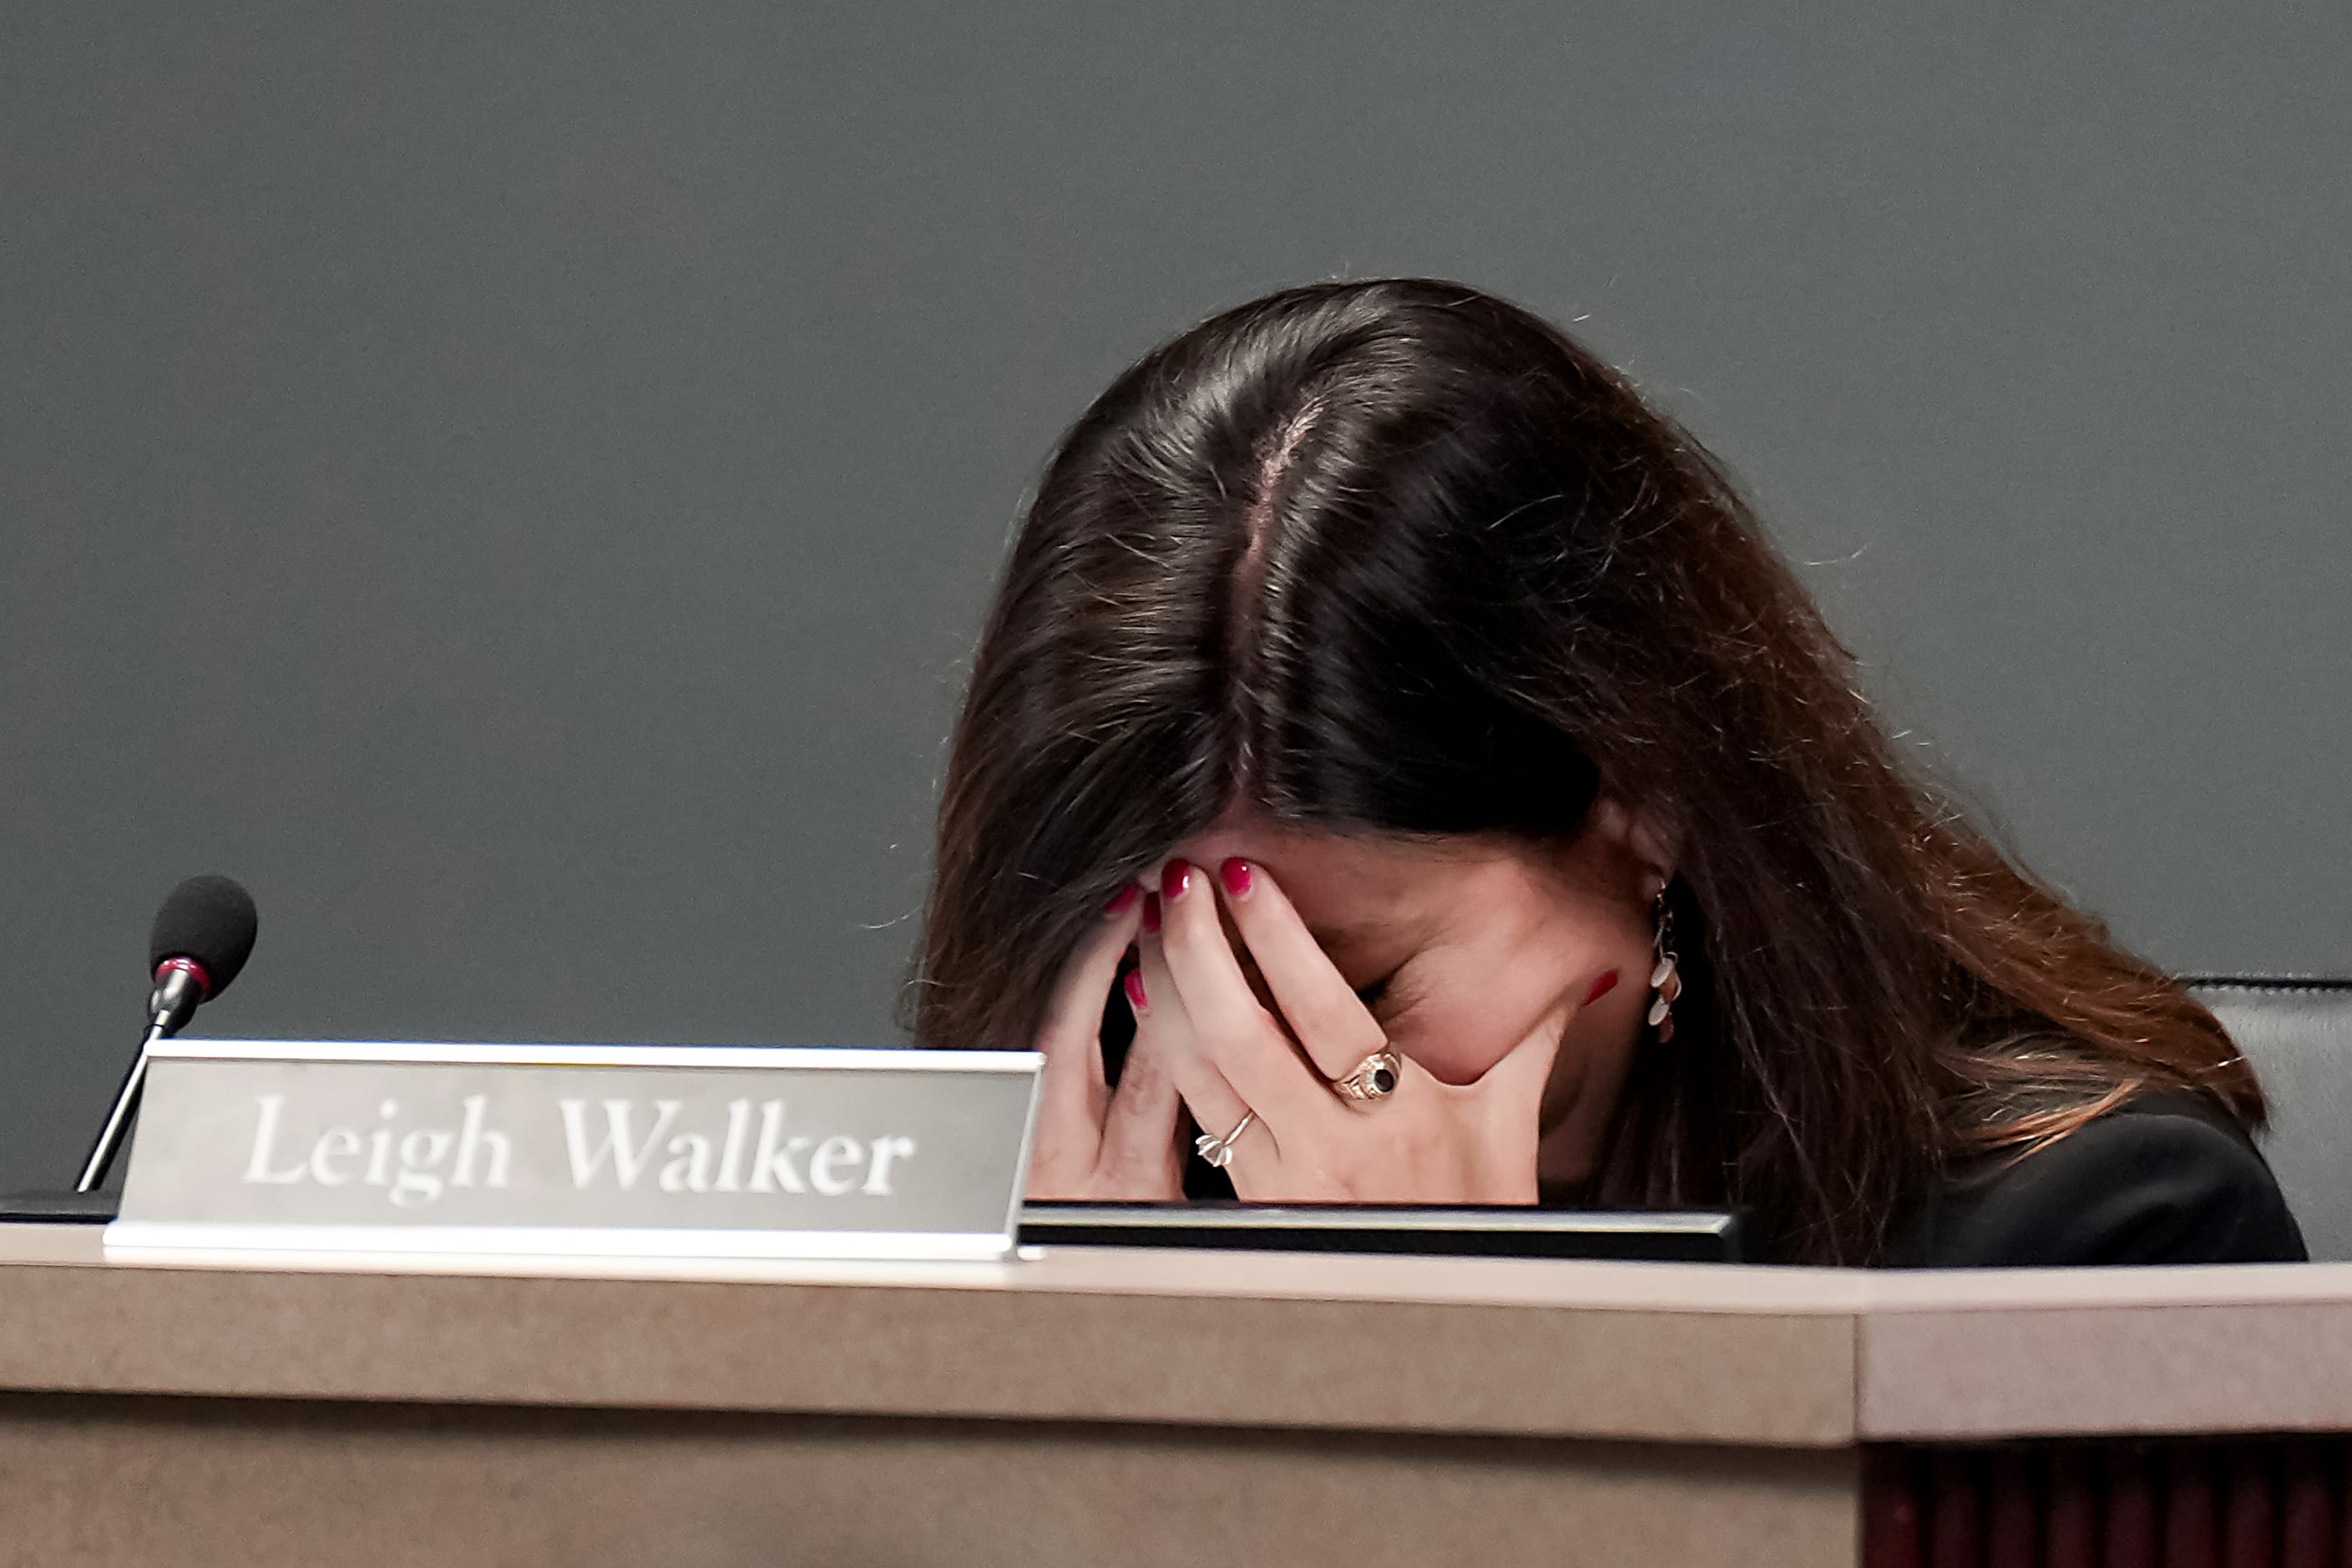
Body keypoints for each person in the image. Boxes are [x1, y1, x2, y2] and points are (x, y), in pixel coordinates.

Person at [911, 278, 2304, 1267]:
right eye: (1166, 989)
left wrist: (1426, 1359)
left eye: (1360, 987)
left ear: (1643, 808)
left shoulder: (2103, 1234)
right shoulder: (1066, 1198)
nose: (1235, 1085)